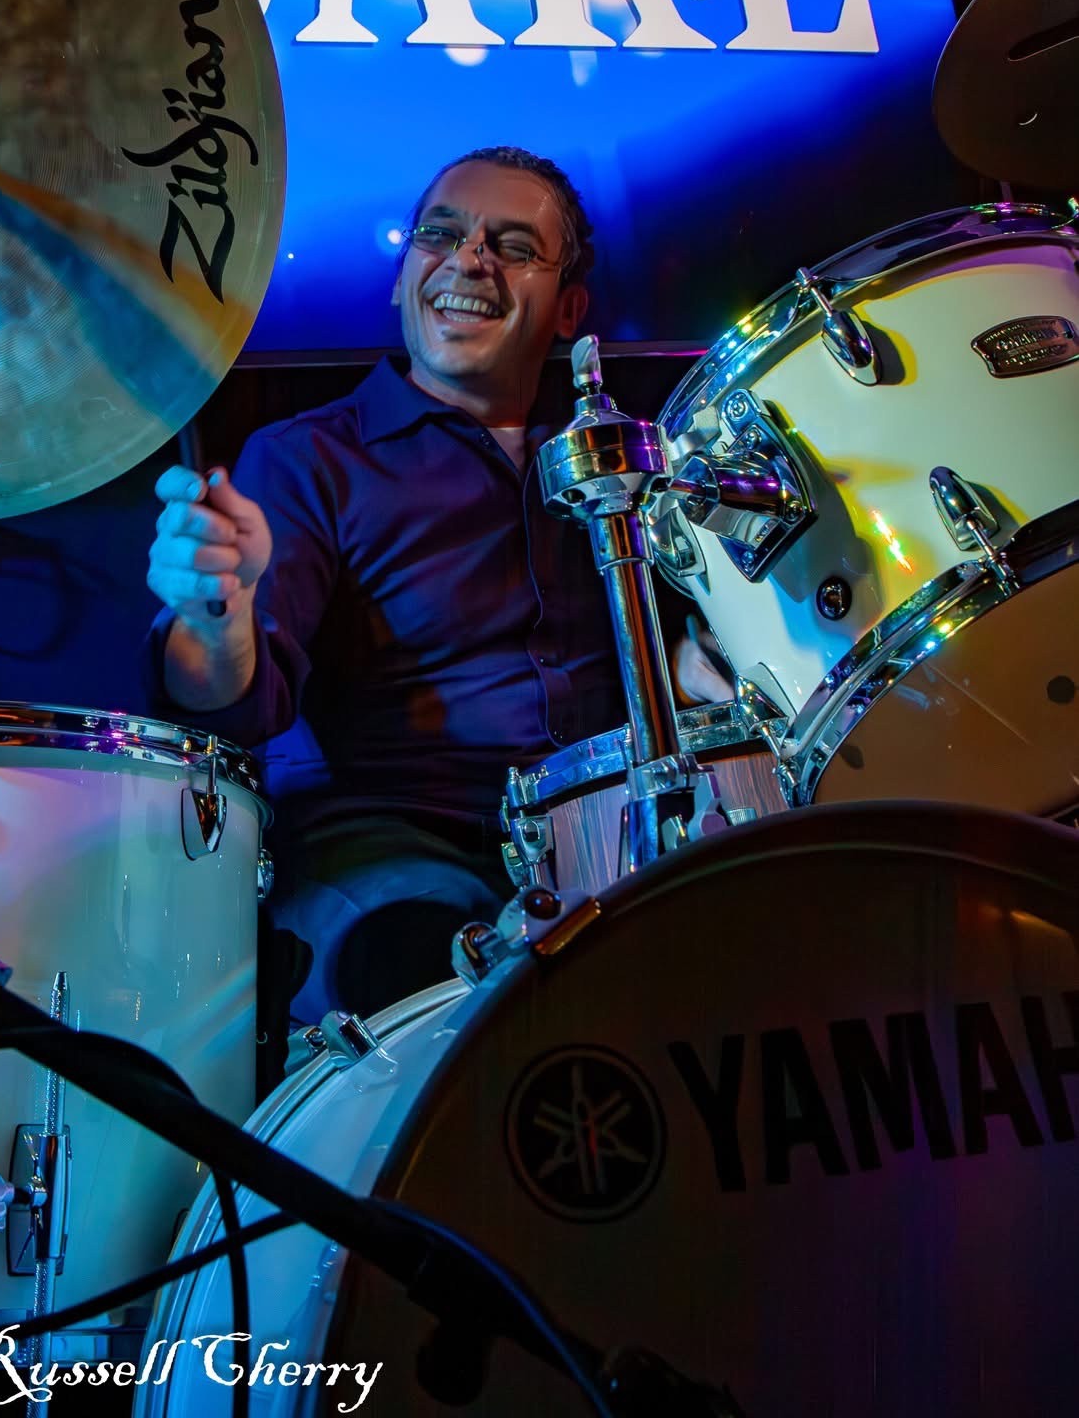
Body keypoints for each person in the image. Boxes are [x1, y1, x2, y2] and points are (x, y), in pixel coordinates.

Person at [145, 145, 730, 1030]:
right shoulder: (308, 459)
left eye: (513, 246)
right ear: (401, 280)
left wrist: (691, 655)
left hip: (621, 830)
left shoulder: (632, 453)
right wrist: (211, 617)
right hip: (392, 843)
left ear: (569, 310)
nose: (469, 259)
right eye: (441, 235)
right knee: (443, 975)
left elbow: (714, 647)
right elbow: (234, 704)